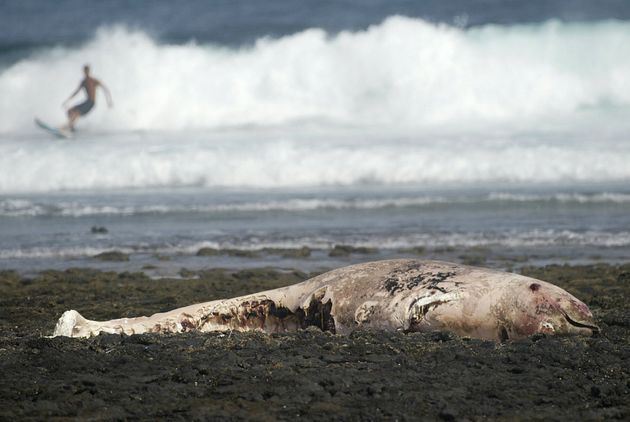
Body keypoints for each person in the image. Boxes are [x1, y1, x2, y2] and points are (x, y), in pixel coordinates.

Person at [62, 64, 113, 131]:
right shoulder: (83, 81)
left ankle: (68, 126)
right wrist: (67, 100)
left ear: (89, 71)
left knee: (76, 113)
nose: (85, 73)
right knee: (69, 111)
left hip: (91, 103)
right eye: (84, 71)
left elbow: (105, 89)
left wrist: (109, 101)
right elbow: (76, 92)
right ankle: (71, 127)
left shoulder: (94, 80)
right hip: (86, 101)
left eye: (86, 71)